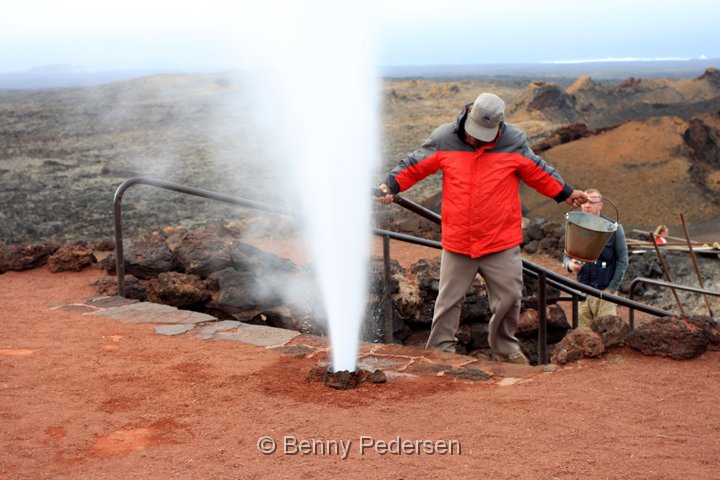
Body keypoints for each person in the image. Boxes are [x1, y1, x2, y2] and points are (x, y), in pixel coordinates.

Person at [376, 92, 589, 365]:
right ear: (468, 116)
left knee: (511, 297)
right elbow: (415, 163)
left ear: (499, 126)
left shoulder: (513, 142)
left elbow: (539, 171)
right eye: (475, 131)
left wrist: (566, 193)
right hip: (459, 241)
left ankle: (505, 349)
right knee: (448, 301)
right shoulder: (446, 138)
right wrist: (391, 185)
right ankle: (441, 351)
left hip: (500, 240)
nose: (477, 138)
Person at [564, 189, 628, 326]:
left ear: (601, 205)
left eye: (592, 202)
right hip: (583, 292)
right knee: (583, 336)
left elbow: (623, 260)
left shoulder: (613, 228)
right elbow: (566, 255)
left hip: (605, 292)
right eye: (584, 202)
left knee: (607, 332)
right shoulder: (575, 227)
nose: (587, 205)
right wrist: (569, 265)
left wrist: (612, 288)